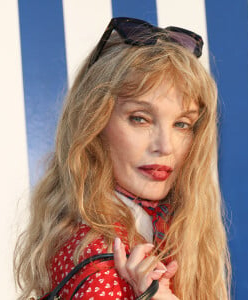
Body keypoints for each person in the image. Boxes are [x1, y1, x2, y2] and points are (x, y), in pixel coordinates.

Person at [14, 17, 231, 300]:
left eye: (182, 124)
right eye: (140, 119)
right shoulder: (99, 255)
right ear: (94, 123)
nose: (165, 147)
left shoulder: (168, 226)